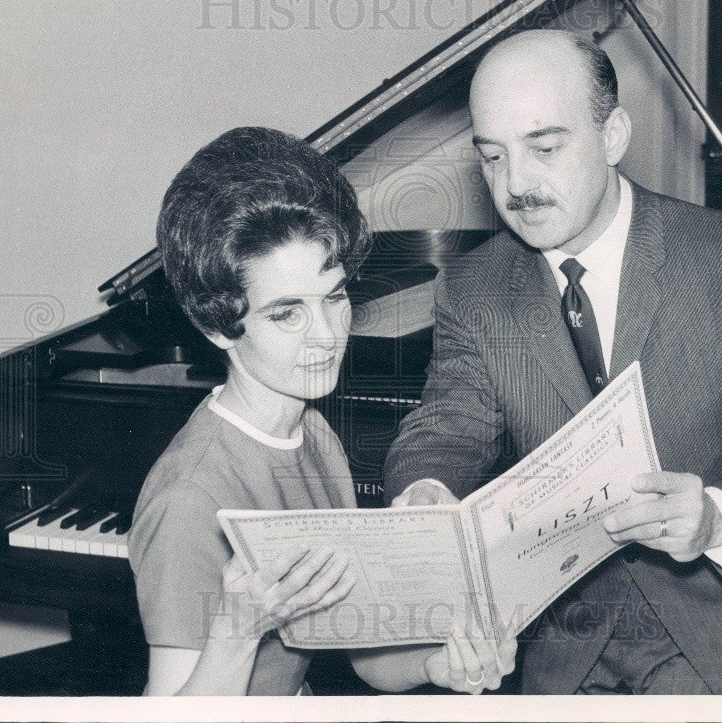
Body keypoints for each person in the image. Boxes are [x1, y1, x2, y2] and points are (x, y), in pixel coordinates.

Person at [384, 30, 722, 694]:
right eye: (492, 158)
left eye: (544, 148)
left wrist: (717, 516)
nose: (516, 184)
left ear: (612, 138)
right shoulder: (472, 288)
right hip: (565, 656)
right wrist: (426, 491)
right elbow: (446, 431)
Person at [129, 127, 514, 695]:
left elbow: (363, 656)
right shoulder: (190, 499)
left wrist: (439, 666)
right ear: (216, 326)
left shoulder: (313, 432)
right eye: (287, 313)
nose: (328, 337)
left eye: (334, 297)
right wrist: (236, 634)